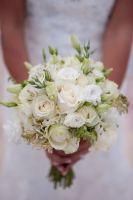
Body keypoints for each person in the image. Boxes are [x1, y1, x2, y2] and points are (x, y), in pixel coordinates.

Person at [0, 0, 133, 199]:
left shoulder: (100, 96)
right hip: (31, 75)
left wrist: (97, 116)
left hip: (98, 81)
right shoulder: (32, 95)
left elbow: (120, 28)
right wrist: (37, 116)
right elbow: (10, 23)